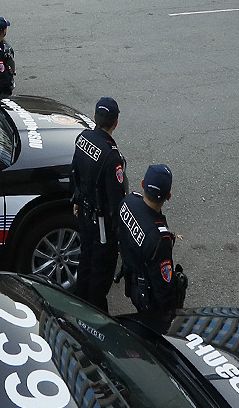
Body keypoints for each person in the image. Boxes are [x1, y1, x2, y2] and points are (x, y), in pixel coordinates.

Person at [70, 97, 127, 312]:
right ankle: (96, 317)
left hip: (84, 213)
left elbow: (74, 172)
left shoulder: (83, 138)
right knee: (100, 275)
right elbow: (116, 202)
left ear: (94, 117)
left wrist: (76, 199)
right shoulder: (112, 157)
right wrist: (120, 237)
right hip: (101, 225)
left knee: (85, 261)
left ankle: (79, 304)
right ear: (116, 123)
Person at [115, 164, 187, 321]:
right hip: (148, 297)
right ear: (169, 196)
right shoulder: (160, 239)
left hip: (131, 279)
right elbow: (163, 287)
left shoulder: (128, 202)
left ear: (143, 184)